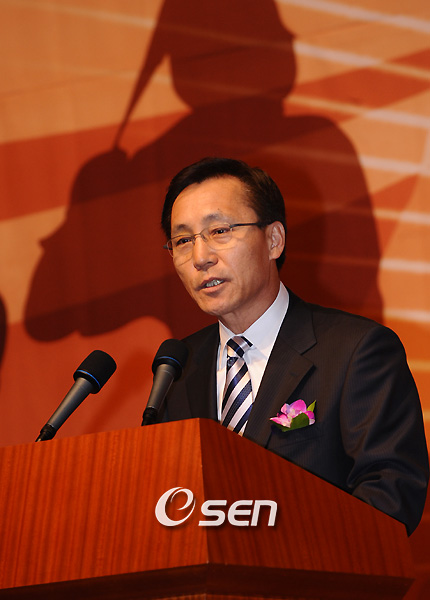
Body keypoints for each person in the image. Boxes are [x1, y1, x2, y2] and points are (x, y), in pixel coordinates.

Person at [160, 156, 429, 535]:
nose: (200, 258)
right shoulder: (178, 368)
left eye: (219, 231)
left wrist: (286, 546)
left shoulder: (357, 351)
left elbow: (391, 495)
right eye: (183, 241)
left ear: (274, 240)